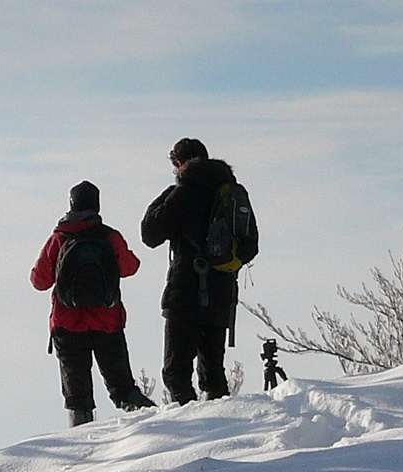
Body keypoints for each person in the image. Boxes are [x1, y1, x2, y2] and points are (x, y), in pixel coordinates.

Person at [140, 137, 259, 404]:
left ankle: (190, 433)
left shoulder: (184, 194)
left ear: (180, 164)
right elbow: (251, 246)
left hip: (185, 292)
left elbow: (149, 233)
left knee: (176, 374)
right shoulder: (231, 192)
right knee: (213, 373)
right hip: (222, 291)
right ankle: (219, 425)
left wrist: (171, 191)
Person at [31, 180, 155, 426]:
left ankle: (83, 446)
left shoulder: (58, 238)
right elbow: (131, 267)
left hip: (67, 325)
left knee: (78, 398)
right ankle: (157, 427)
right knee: (123, 389)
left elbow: (39, 280)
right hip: (107, 322)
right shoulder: (109, 236)